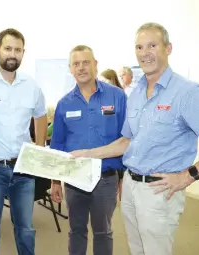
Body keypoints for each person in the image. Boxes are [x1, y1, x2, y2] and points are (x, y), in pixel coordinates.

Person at [71, 22, 199, 255]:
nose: (145, 53)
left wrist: (187, 176)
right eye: (139, 47)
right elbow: (126, 141)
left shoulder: (188, 93)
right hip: (131, 188)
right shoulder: (136, 93)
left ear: (168, 48)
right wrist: (87, 154)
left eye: (152, 45)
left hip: (159, 191)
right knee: (137, 250)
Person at [0, 28, 48, 255]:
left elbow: (41, 115)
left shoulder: (32, 86)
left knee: (25, 228)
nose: (12, 54)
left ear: (24, 53)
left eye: (18, 50)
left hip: (24, 169)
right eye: (8, 48)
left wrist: (40, 148)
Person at [50, 45, 127, 255]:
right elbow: (57, 144)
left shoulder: (117, 97)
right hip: (75, 179)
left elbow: (127, 139)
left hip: (106, 178)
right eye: (76, 64)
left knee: (103, 231)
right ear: (70, 69)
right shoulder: (64, 104)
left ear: (95, 64)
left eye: (86, 62)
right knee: (76, 230)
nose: (81, 68)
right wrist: (55, 181)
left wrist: (124, 177)